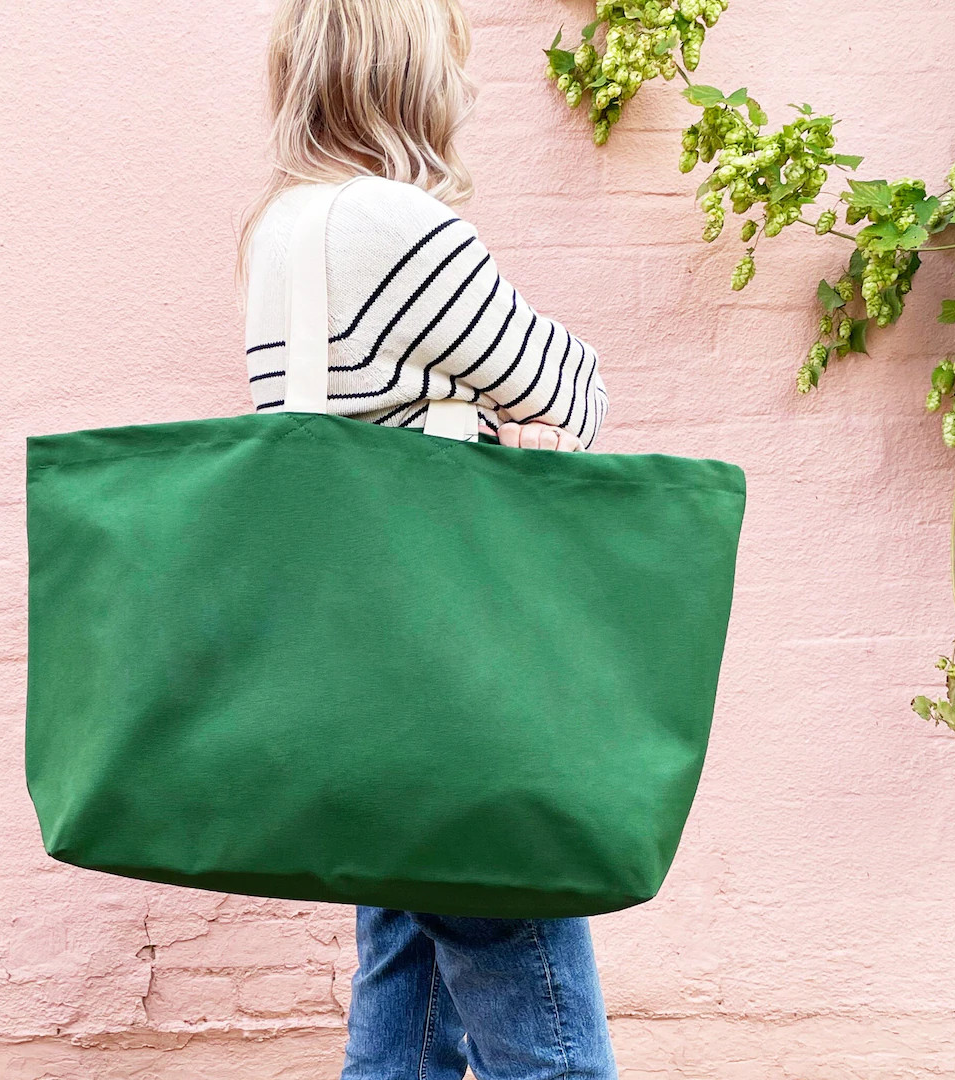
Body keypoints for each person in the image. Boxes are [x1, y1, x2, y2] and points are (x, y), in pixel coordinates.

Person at [234, 1, 618, 1076]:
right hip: (456, 685)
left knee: (400, 993)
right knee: (543, 1023)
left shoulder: (281, 231)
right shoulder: (401, 225)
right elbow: (571, 391)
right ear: (409, 75)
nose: (474, 90)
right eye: (458, 64)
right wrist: (514, 421)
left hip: (358, 682)